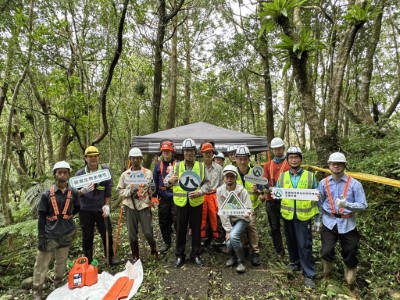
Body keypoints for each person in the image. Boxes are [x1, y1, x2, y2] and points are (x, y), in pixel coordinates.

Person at [317, 152, 367, 286]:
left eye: (339, 164)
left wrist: (347, 205)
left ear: (344, 165)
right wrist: (319, 219)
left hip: (348, 223)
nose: (336, 166)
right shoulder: (323, 183)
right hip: (329, 222)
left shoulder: (355, 184)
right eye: (333, 164)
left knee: (350, 253)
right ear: (329, 166)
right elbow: (319, 202)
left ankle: (350, 282)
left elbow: (363, 205)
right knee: (326, 251)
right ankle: (327, 276)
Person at [32, 161, 80, 300]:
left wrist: (65, 218)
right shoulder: (46, 194)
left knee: (61, 262)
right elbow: (41, 217)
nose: (62, 175)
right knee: (41, 264)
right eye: (59, 172)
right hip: (49, 235)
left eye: (65, 172)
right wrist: (41, 237)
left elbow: (77, 208)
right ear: (54, 175)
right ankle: (37, 292)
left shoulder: (74, 192)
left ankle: (58, 285)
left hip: (66, 233)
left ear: (68, 175)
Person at [276, 146, 319, 289]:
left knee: (304, 244)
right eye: (291, 157)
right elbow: (278, 192)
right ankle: (294, 263)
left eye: (296, 157)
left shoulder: (310, 176)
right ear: (287, 160)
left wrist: (318, 196)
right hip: (288, 215)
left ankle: (309, 274)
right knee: (291, 241)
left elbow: (317, 192)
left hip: (304, 216)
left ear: (300, 159)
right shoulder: (283, 176)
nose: (294, 160)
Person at [164, 138, 210, 268]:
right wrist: (170, 180)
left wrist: (200, 192)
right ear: (183, 152)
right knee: (180, 229)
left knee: (196, 229)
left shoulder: (201, 166)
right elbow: (165, 181)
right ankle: (179, 255)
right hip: (180, 203)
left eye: (191, 151)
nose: (189, 153)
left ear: (195, 152)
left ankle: (195, 254)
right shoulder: (176, 166)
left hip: (196, 202)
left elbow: (207, 183)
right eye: (186, 151)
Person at [75, 146, 119, 265]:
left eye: (95, 156)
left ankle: (110, 257)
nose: (93, 159)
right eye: (90, 157)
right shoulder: (80, 174)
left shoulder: (105, 171)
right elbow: (73, 193)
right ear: (85, 158)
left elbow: (108, 189)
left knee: (107, 232)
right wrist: (81, 191)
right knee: (87, 236)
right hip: (85, 210)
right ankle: (88, 261)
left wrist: (107, 205)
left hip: (101, 208)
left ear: (98, 157)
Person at [117, 147, 158, 262]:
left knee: (147, 231)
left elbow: (151, 189)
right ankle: (135, 254)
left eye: (137, 158)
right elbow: (119, 190)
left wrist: (152, 190)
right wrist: (129, 192)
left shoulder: (147, 173)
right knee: (131, 232)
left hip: (143, 204)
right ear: (130, 159)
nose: (135, 160)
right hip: (130, 205)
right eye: (133, 158)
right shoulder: (125, 175)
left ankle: (153, 248)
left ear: (141, 159)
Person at [217, 165, 253, 273]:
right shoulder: (220, 191)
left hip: (242, 219)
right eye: (226, 177)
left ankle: (240, 261)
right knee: (228, 242)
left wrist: (247, 213)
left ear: (235, 178)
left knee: (233, 236)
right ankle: (232, 257)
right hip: (229, 220)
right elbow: (222, 212)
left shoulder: (242, 191)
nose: (229, 179)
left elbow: (249, 208)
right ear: (223, 178)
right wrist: (227, 229)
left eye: (231, 177)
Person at [261, 137, 289, 258]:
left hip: (286, 200)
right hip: (271, 200)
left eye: (279, 148)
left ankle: (291, 248)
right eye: (275, 149)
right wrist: (269, 188)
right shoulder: (268, 165)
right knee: (274, 226)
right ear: (272, 150)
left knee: (288, 226)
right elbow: (264, 180)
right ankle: (280, 251)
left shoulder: (289, 163)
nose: (277, 150)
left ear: (283, 148)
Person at [235, 145, 262, 266]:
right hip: (237, 207)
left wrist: (258, 191)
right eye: (240, 158)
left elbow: (262, 191)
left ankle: (255, 252)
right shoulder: (232, 172)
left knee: (251, 228)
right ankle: (244, 248)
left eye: (245, 158)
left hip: (252, 206)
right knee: (240, 229)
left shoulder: (255, 172)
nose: (242, 161)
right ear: (236, 159)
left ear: (248, 159)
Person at [153, 140, 177, 253]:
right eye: (164, 151)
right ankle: (167, 242)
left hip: (176, 197)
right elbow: (155, 182)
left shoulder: (179, 164)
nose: (166, 153)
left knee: (177, 220)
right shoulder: (158, 166)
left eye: (168, 151)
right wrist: (154, 196)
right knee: (163, 221)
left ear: (172, 152)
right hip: (163, 197)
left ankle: (179, 240)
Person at [200, 142, 223, 244]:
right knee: (202, 218)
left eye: (209, 152)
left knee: (217, 218)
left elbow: (222, 183)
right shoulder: (198, 167)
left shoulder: (218, 168)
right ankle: (203, 239)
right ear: (202, 154)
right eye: (205, 153)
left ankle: (218, 240)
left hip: (215, 196)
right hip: (202, 196)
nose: (208, 155)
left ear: (213, 153)